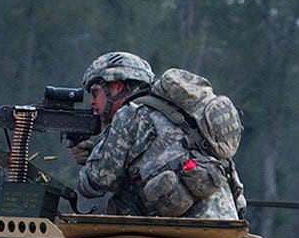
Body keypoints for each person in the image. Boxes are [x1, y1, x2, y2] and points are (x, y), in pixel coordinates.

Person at [69, 51, 239, 219]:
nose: (92, 102)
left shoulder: (131, 114)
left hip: (181, 235)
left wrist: (90, 159)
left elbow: (94, 182)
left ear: (116, 87)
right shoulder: (185, 113)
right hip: (223, 224)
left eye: (95, 92)